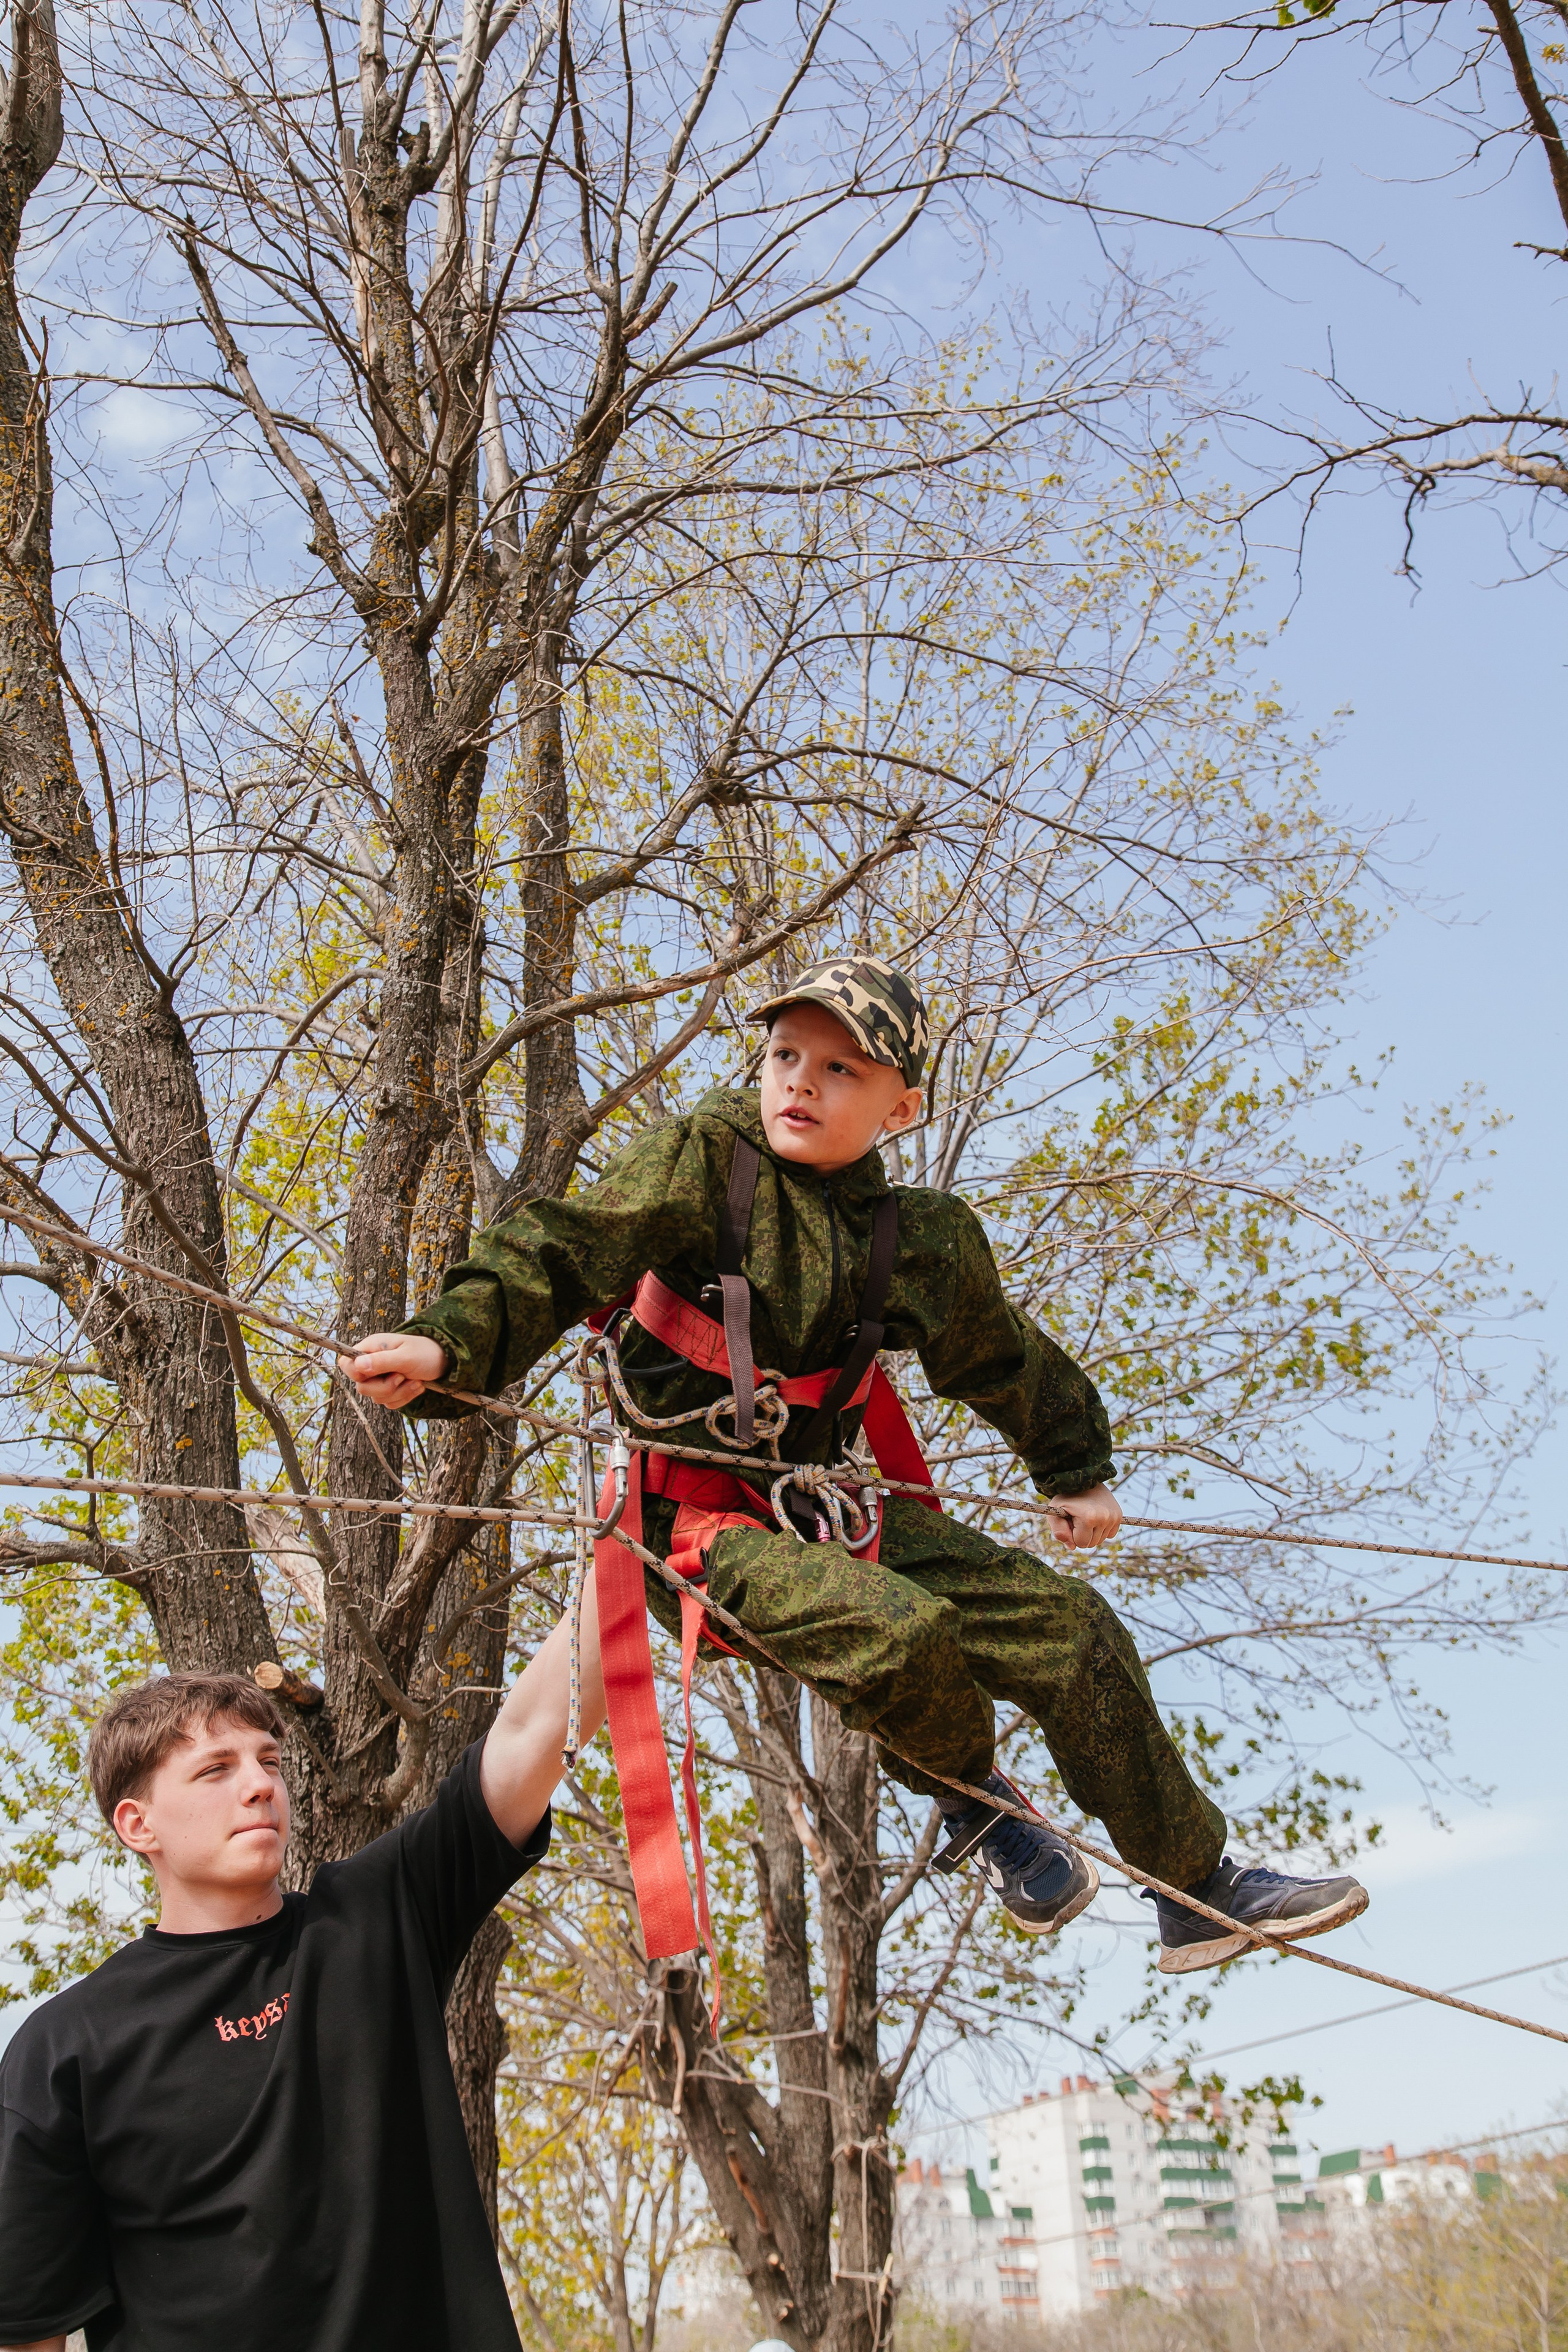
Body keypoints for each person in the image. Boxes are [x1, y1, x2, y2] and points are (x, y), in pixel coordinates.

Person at [342, 953, 1368, 1977]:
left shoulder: (916, 1238)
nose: (800, 1081)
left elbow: (998, 1354)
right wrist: (448, 1344)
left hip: (827, 1507)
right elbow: (564, 1247)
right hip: (694, 1524)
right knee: (901, 1636)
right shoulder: (706, 1161)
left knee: (1073, 1630)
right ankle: (976, 1802)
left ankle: (1196, 1889)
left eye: (841, 1070)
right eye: (786, 1054)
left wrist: (1073, 1469)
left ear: (902, 1107)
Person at [0, 1592, 606, 2352]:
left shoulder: (374, 1918)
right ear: (137, 1824)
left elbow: (531, 1734)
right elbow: (28, 2332)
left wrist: (624, 1534)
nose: (260, 1785)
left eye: (270, 1762)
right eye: (214, 1769)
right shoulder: (65, 2048)